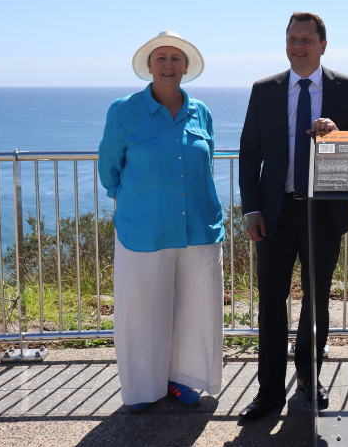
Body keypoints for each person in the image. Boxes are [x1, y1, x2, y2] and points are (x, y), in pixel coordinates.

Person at [238, 12, 348, 420]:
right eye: (291, 39)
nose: (298, 46)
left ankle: (308, 379)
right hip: (275, 215)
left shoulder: (346, 88)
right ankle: (269, 392)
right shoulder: (264, 90)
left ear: (322, 45)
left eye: (306, 40)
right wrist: (252, 209)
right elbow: (250, 154)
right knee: (271, 304)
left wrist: (339, 133)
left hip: (324, 215)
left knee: (316, 302)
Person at [98, 31, 225, 412]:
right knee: (141, 312)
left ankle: (185, 379)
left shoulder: (201, 112)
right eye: (161, 58)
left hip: (199, 227)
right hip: (144, 228)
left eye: (176, 58)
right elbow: (109, 169)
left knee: (196, 307)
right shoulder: (124, 110)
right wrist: (136, 200)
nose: (168, 65)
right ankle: (142, 389)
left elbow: (207, 161)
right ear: (150, 67)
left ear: (185, 67)